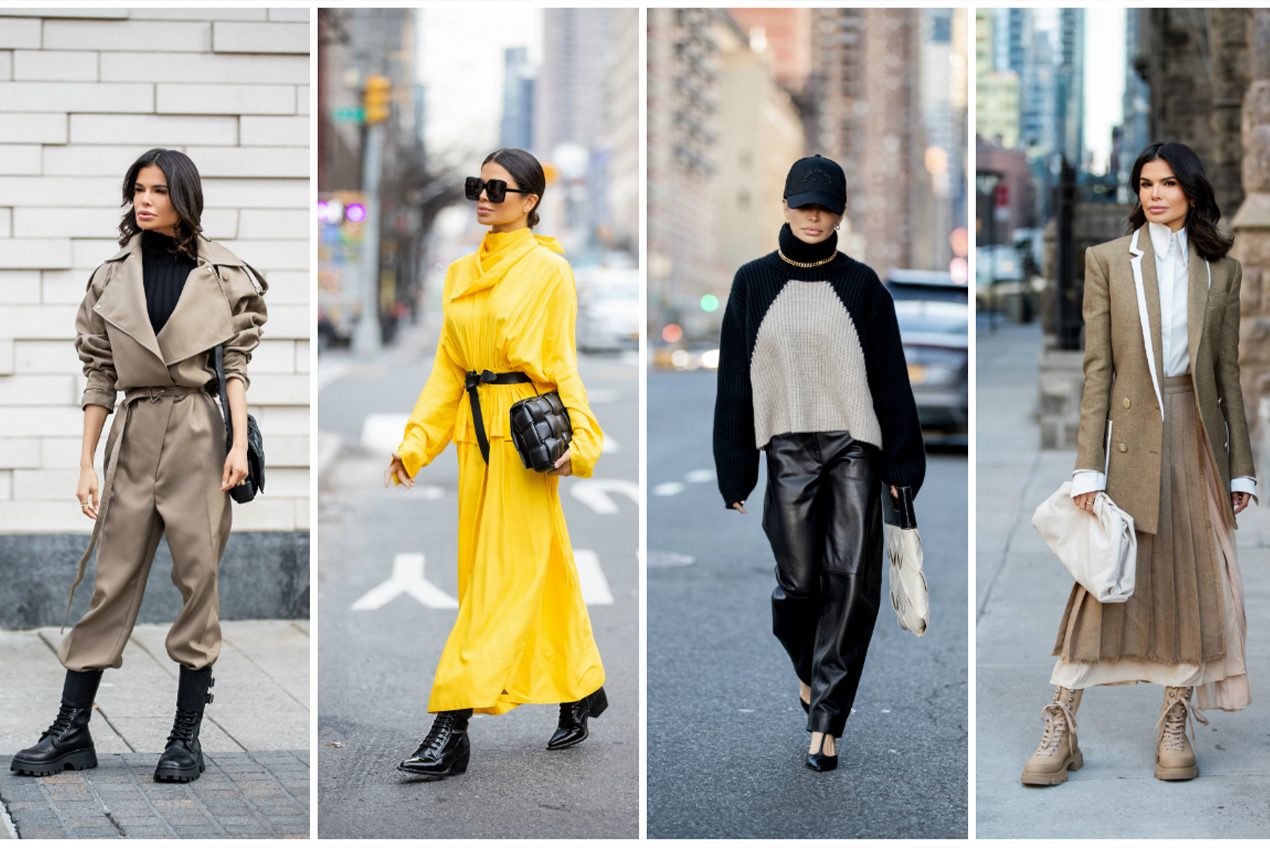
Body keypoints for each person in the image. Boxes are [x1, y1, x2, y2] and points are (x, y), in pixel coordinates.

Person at [10, 148, 267, 783]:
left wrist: (237, 444)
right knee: (111, 580)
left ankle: (186, 737)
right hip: (133, 430)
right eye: (137, 190)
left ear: (185, 196)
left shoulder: (225, 273)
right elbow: (99, 375)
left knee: (197, 581)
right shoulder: (110, 277)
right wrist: (86, 463)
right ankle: (72, 730)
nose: (144, 201)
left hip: (199, 434)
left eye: (157, 190)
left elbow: (233, 367)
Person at [1021, 142, 1257, 786]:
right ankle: (1061, 722)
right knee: (1104, 579)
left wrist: (1241, 468)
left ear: (1191, 191)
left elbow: (1227, 377)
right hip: (1131, 438)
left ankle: (1175, 719)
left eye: (1168, 183)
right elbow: (1098, 370)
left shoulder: (1222, 270)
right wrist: (1087, 468)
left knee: (1190, 580)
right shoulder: (1106, 260)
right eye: (1145, 183)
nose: (1154, 194)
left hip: (1197, 440)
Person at [385, 148, 607, 780]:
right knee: (535, 570)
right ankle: (581, 687)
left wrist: (581, 442)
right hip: (474, 442)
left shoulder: (548, 271)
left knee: (497, 588)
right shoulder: (459, 273)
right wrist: (416, 443)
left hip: (526, 440)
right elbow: (448, 368)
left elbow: (562, 363)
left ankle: (450, 727)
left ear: (530, 201)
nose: (483, 196)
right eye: (475, 186)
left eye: (497, 188)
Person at [712, 154, 926, 772]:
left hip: (855, 445)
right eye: (804, 204)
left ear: (841, 214)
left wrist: (902, 467)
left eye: (826, 206)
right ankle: (812, 674)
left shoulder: (861, 285)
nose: (814, 216)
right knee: (800, 584)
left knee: (852, 583)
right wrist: (734, 468)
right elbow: (734, 382)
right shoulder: (753, 282)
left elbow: (890, 381)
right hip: (787, 448)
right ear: (784, 207)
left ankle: (826, 723)